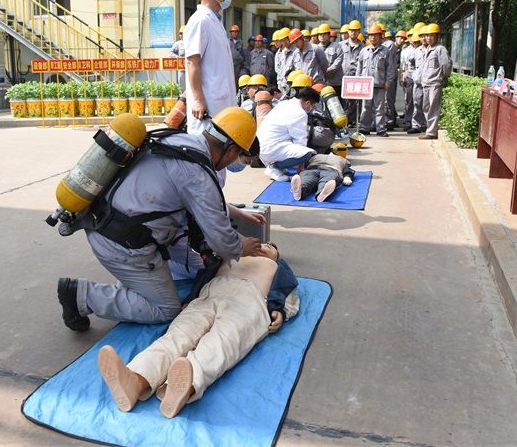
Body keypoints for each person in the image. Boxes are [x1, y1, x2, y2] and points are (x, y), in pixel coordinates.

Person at [56, 107, 264, 330]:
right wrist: (240, 246)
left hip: (106, 219)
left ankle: (140, 281)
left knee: (200, 268)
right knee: (167, 309)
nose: (234, 162)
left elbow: (206, 203)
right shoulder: (198, 174)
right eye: (237, 155)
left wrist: (237, 214)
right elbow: (221, 240)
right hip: (123, 243)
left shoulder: (177, 140)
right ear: (230, 149)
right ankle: (82, 295)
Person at [96, 242, 299, 418]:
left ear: (277, 255)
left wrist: (280, 312)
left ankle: (185, 385)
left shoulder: (277, 268)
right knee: (177, 336)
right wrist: (191, 299)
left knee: (222, 343)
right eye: (260, 244)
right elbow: (204, 275)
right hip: (210, 294)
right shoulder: (231, 258)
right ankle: (135, 380)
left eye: (269, 247)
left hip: (249, 302)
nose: (262, 247)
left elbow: (288, 294)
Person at [184, 0, 237, 133]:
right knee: (206, 149)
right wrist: (199, 100)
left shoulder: (215, 21)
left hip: (221, 102)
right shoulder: (200, 21)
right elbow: (192, 62)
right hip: (209, 104)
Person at [256, 86, 320, 181]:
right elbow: (300, 141)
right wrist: (301, 167)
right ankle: (274, 167)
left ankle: (277, 166)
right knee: (307, 153)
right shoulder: (300, 113)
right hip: (270, 148)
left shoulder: (284, 104)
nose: (311, 108)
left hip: (261, 147)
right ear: (307, 103)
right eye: (312, 106)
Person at [357, 24, 396, 137]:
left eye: (375, 36)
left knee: (380, 108)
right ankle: (364, 127)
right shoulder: (364, 51)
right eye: (371, 36)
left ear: (380, 37)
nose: (373, 38)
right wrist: (358, 80)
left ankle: (381, 129)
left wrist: (389, 81)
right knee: (366, 107)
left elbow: (390, 68)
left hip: (380, 84)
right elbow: (359, 67)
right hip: (365, 85)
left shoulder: (386, 51)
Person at [416, 23, 452, 140]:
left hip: (435, 84)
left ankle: (431, 132)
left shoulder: (440, 49)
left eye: (431, 35)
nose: (428, 38)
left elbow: (446, 66)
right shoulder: (428, 49)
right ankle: (430, 129)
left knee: (433, 108)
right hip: (426, 83)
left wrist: (442, 78)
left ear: (436, 36)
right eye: (427, 36)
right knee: (426, 108)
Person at [325, 20, 364, 124]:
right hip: (340, 79)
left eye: (356, 31)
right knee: (341, 101)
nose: (353, 33)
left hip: (354, 78)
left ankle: (351, 121)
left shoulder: (363, 48)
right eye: (351, 31)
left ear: (359, 31)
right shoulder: (340, 45)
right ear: (348, 31)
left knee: (354, 102)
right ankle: (340, 121)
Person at [290, 153, 356, 202]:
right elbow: (304, 165)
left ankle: (322, 194)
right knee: (307, 179)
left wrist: (347, 177)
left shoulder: (342, 160)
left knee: (328, 180)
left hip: (331, 169)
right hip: (312, 169)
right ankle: (299, 192)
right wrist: (300, 173)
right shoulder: (315, 156)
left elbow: (348, 170)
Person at [407, 24, 427, 134]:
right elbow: (411, 64)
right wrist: (414, 75)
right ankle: (416, 125)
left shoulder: (436, 49)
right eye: (422, 36)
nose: (423, 38)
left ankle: (427, 125)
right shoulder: (417, 51)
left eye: (426, 36)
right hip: (418, 82)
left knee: (428, 105)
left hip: (430, 82)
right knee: (417, 103)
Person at [399, 29, 416, 131]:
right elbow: (402, 65)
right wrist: (402, 76)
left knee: (419, 102)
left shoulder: (421, 49)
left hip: (421, 79)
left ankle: (419, 123)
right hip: (409, 78)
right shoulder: (405, 51)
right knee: (409, 101)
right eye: (410, 36)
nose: (412, 39)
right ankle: (408, 121)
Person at [274, 27, 294, 95]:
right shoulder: (283, 52)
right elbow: (280, 68)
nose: (284, 42)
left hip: (293, 84)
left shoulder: (296, 51)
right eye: (282, 40)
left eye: (286, 40)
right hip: (282, 83)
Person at [169, 26, 186, 91]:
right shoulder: (178, 44)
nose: (181, 35)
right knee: (182, 88)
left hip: (191, 69)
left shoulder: (192, 42)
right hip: (182, 70)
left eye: (182, 33)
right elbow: (170, 54)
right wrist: (179, 58)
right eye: (180, 33)